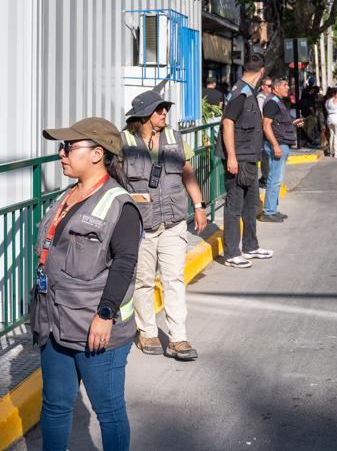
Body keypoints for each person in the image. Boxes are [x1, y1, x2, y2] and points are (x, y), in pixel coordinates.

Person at [33, 117, 142, 451]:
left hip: (95, 328)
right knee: (54, 405)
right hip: (54, 323)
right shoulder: (68, 196)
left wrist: (105, 315)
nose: (61, 154)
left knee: (108, 411)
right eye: (61, 147)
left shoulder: (118, 204)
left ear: (97, 154)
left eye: (68, 147)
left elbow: (125, 264)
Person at [120, 90, 209, 362]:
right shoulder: (122, 142)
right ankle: (146, 331)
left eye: (165, 109)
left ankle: (178, 338)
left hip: (173, 221)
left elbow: (187, 172)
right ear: (145, 114)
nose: (164, 114)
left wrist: (198, 205)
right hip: (140, 224)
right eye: (160, 110)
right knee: (143, 281)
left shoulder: (174, 137)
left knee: (174, 280)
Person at [217, 56, 273, 268]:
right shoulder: (241, 93)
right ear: (261, 71)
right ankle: (231, 253)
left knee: (250, 205)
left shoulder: (248, 92)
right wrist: (231, 156)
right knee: (234, 206)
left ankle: (250, 246)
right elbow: (228, 123)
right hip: (239, 159)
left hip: (249, 158)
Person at [260, 78, 296, 223]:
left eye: (288, 85)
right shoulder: (272, 103)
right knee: (274, 179)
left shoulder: (277, 102)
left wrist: (293, 123)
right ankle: (268, 212)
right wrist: (275, 145)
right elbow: (266, 125)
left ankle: (273, 209)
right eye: (284, 85)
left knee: (277, 179)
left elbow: (277, 124)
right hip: (277, 145)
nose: (287, 88)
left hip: (281, 144)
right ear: (275, 88)